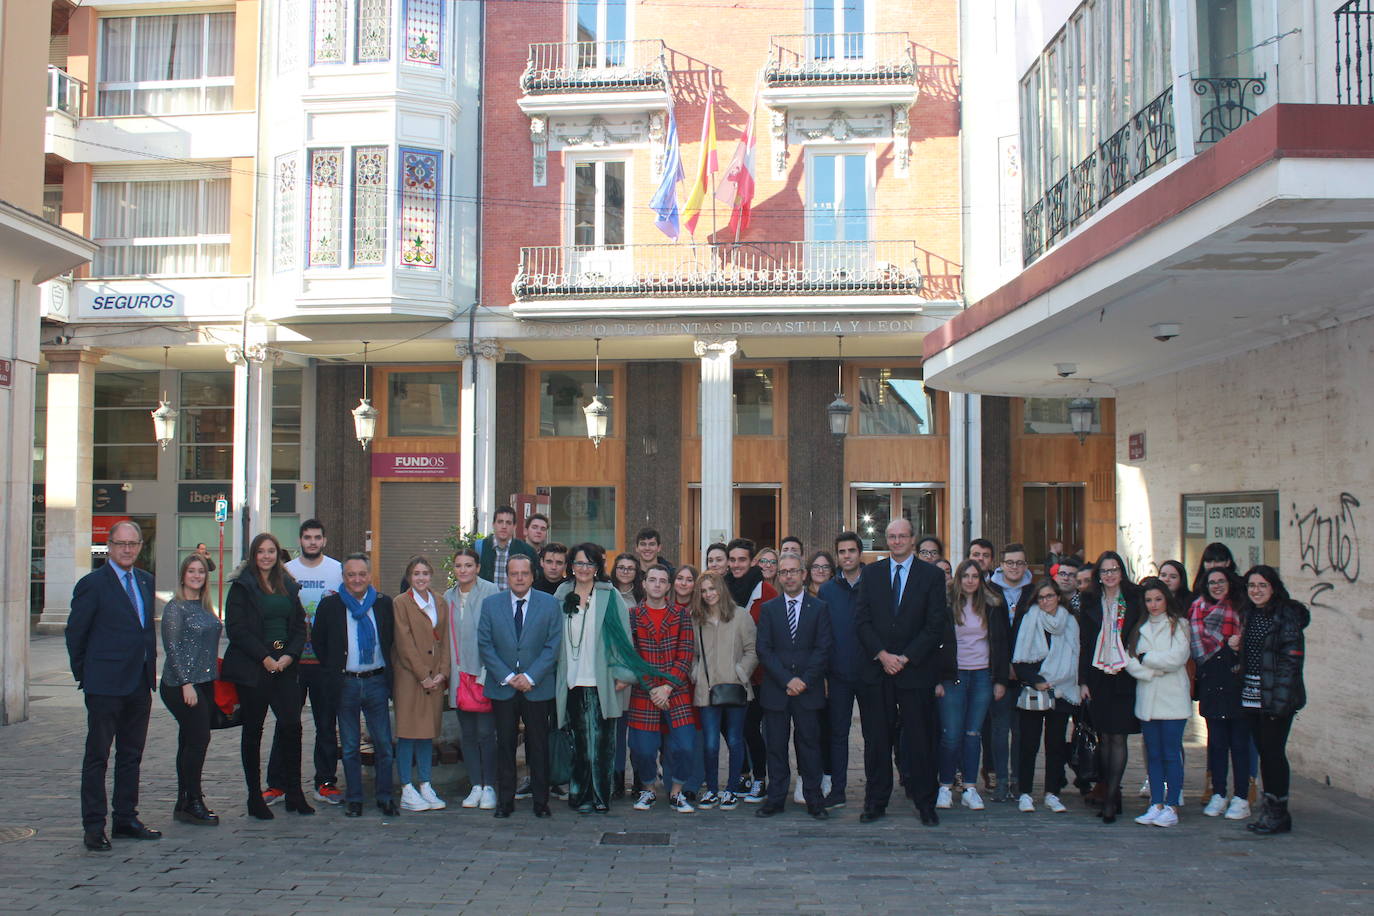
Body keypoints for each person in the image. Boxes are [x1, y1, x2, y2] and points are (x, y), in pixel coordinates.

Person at [66, 519, 160, 851]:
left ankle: (125, 818)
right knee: (98, 757)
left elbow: (144, 631)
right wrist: (86, 675)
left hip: (138, 682)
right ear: (109, 545)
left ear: (140, 547)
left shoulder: (146, 581)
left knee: (131, 755)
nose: (127, 550)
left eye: (133, 544)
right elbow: (76, 633)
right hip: (104, 685)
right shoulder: (93, 584)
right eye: (121, 544)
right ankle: (94, 825)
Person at [854, 517, 950, 825]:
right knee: (877, 741)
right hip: (878, 671)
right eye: (891, 536)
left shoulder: (931, 576)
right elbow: (862, 621)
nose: (896, 541)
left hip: (916, 671)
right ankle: (875, 801)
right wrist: (882, 656)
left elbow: (935, 626)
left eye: (902, 536)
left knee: (920, 741)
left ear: (913, 540)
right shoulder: (871, 574)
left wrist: (905, 658)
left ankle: (925, 803)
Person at [554, 543, 658, 814]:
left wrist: (625, 675)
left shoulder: (609, 595)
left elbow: (624, 638)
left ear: (597, 567)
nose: (584, 569)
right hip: (572, 678)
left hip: (602, 679)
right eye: (578, 564)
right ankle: (579, 793)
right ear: (571, 566)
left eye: (589, 564)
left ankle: (600, 795)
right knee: (578, 742)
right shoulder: (562, 593)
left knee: (602, 743)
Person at [223, 532, 312, 820]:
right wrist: (265, 658)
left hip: (284, 667)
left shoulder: (287, 584)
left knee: (291, 726)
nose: (266, 556)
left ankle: (295, 793)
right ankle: (254, 797)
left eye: (271, 551)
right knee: (254, 731)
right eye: (261, 551)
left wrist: (288, 656)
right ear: (253, 554)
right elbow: (236, 629)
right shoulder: (241, 586)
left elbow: (300, 626)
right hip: (254, 667)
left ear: (277, 554)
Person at [310, 554, 397, 817]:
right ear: (343, 577)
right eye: (351, 574)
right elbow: (319, 643)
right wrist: (334, 670)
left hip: (376, 682)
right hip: (345, 683)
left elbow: (392, 640)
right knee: (349, 747)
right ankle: (355, 798)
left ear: (369, 576)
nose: (357, 579)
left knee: (383, 744)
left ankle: (384, 797)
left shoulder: (383, 604)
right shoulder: (330, 606)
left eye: (361, 574)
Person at [479, 554, 563, 818]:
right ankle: (505, 801)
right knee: (504, 744)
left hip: (536, 687)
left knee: (538, 745)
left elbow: (552, 646)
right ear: (507, 576)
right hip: (502, 686)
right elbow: (485, 644)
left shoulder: (549, 605)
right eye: (514, 573)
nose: (519, 578)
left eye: (524, 573)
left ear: (532, 575)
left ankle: (541, 801)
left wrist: (530, 676)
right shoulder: (491, 605)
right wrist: (506, 676)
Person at [271, 519, 344, 807]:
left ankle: (325, 782)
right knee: (286, 723)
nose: (312, 542)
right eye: (307, 537)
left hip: (325, 664)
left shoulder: (337, 570)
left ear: (324, 540)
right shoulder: (287, 572)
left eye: (317, 537)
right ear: (300, 540)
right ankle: (277, 784)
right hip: (293, 661)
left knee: (326, 725)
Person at [754, 555, 834, 820]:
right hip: (777, 690)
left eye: (794, 571)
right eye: (784, 572)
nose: (789, 576)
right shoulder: (769, 609)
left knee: (809, 745)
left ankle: (814, 798)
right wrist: (787, 680)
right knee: (775, 746)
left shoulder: (820, 607)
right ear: (779, 576)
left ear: (803, 575)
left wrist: (804, 681)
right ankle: (775, 798)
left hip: (808, 691)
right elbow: (763, 650)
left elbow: (823, 649)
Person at [1238, 565, 1309, 835]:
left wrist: (1279, 703)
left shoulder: (1286, 616)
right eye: (1252, 586)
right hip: (1252, 695)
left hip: (1276, 698)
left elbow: (1291, 663)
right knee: (1264, 753)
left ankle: (1278, 812)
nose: (1256, 591)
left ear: (1273, 587)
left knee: (1272, 753)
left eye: (1262, 585)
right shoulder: (1251, 613)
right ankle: (1272, 810)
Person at [935, 559, 1009, 812]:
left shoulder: (992, 605)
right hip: (952, 676)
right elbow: (936, 642)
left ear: (981, 579)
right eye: (965, 576)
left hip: (982, 676)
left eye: (974, 576)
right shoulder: (945, 604)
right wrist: (937, 679)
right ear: (958, 578)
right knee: (951, 735)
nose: (969, 580)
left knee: (973, 734)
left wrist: (999, 680)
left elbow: (1001, 643)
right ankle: (945, 785)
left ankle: (969, 787)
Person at [1077, 550, 1142, 823]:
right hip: (1098, 674)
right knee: (1104, 737)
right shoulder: (1090, 600)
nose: (1110, 575)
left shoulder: (1135, 599)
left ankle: (1113, 797)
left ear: (1121, 572)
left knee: (1119, 737)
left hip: (1124, 672)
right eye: (1105, 571)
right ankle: (1108, 793)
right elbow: (1083, 643)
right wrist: (1082, 681)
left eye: (1114, 569)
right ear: (1098, 576)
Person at [159, 553, 223, 826]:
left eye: (201, 572)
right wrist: (186, 683)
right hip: (181, 684)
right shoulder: (176, 608)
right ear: (183, 575)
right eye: (191, 571)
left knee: (189, 740)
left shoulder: (204, 606)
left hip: (205, 682)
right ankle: (193, 800)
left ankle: (184, 801)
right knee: (198, 740)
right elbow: (172, 649)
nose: (196, 575)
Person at [627, 565, 696, 813]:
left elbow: (685, 654)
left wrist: (667, 687)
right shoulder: (632, 615)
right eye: (652, 580)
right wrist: (652, 688)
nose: (657, 584)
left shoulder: (680, 615)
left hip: (675, 689)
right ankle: (648, 789)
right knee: (642, 748)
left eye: (662, 581)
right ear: (644, 584)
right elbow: (631, 656)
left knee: (686, 745)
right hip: (644, 691)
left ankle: (676, 792)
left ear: (668, 587)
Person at [1125, 578, 1192, 828]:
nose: (1154, 605)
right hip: (1148, 696)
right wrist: (1151, 670)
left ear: (1167, 599)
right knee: (1153, 754)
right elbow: (1130, 660)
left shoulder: (1180, 625)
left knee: (1170, 753)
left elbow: (1177, 658)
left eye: (1158, 599)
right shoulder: (1138, 627)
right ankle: (1156, 802)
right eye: (1149, 600)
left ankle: (1172, 803)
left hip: (1173, 698)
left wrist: (1147, 658)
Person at [1011, 578, 1080, 814]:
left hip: (1062, 689)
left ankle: (1052, 793)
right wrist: (1037, 681)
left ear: (1058, 597)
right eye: (1041, 597)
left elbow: (1076, 655)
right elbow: (1019, 659)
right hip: (1034, 690)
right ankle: (1026, 793)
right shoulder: (1029, 619)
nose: (1046, 601)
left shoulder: (1070, 622)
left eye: (1050, 596)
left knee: (1055, 745)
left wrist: (1058, 681)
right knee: (1029, 744)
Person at [691, 570, 757, 811]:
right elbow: (693, 655)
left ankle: (731, 789)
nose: (709, 594)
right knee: (710, 743)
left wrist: (741, 672)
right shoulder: (696, 619)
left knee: (734, 739)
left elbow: (752, 650)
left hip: (735, 688)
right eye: (704, 590)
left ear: (721, 589)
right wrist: (696, 673)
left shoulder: (740, 616)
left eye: (712, 588)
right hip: (707, 690)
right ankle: (711, 789)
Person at [1189, 567, 1251, 820]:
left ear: (1229, 583)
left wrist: (1237, 646)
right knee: (1216, 743)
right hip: (1211, 682)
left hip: (1237, 681)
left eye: (1221, 581)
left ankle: (1241, 796)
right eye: (1211, 582)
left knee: (1239, 744)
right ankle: (1219, 793)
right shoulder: (1196, 609)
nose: (1216, 586)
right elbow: (1196, 650)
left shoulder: (1241, 609)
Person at [392, 556, 450, 812]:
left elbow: (446, 639)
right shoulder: (401, 603)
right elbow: (404, 642)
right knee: (407, 734)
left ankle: (425, 783)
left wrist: (442, 672)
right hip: (410, 678)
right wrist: (422, 674)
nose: (421, 578)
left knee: (427, 734)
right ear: (409, 576)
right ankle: (406, 786)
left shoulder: (440, 601)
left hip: (434, 678)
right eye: (416, 573)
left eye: (425, 573)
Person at [445, 547, 500, 810]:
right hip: (459, 676)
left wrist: (489, 672)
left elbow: (498, 637)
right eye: (458, 566)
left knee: (486, 733)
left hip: (484, 674)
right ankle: (475, 784)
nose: (463, 570)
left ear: (477, 567)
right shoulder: (447, 597)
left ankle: (489, 785)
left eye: (468, 565)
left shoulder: (491, 592)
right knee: (467, 734)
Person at [724, 537, 779, 802]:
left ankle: (759, 777)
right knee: (729, 726)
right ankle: (743, 774)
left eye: (741, 559)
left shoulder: (765, 592)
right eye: (732, 560)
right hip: (728, 674)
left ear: (752, 561)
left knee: (749, 727)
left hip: (758, 677)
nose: (736, 565)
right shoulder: (723, 589)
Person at [818, 531, 865, 809]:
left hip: (869, 673)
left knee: (874, 735)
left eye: (851, 551)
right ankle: (838, 789)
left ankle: (876, 790)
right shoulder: (828, 590)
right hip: (837, 675)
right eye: (842, 552)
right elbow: (824, 635)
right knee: (837, 734)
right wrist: (824, 673)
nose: (847, 556)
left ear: (860, 553)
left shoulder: (875, 583)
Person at [984, 542, 1033, 800]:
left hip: (1027, 674)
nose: (1014, 567)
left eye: (1020, 563)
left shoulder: (1034, 592)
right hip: (999, 672)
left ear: (1026, 565)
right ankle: (1001, 780)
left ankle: (1018, 780)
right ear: (1001, 565)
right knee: (1000, 729)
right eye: (1010, 562)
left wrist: (1023, 667)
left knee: (1021, 731)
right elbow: (990, 636)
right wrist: (1002, 671)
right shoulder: (990, 591)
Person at [475, 505, 537, 589]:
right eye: (500, 522)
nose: (504, 526)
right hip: (485, 600)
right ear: (493, 524)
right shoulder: (479, 548)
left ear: (514, 526)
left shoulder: (527, 551)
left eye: (508, 523)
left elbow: (534, 582)